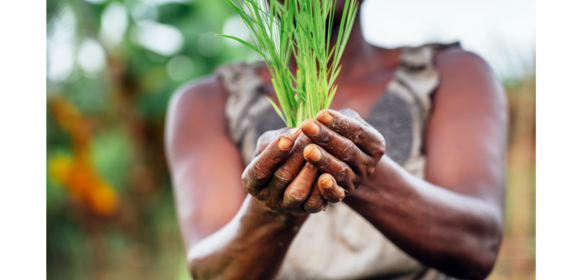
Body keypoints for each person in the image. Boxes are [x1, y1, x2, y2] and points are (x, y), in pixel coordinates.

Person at [164, 1, 507, 279]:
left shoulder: (451, 74)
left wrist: (359, 171)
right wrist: (272, 210)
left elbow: (479, 245)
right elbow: (213, 272)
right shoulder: (208, 103)